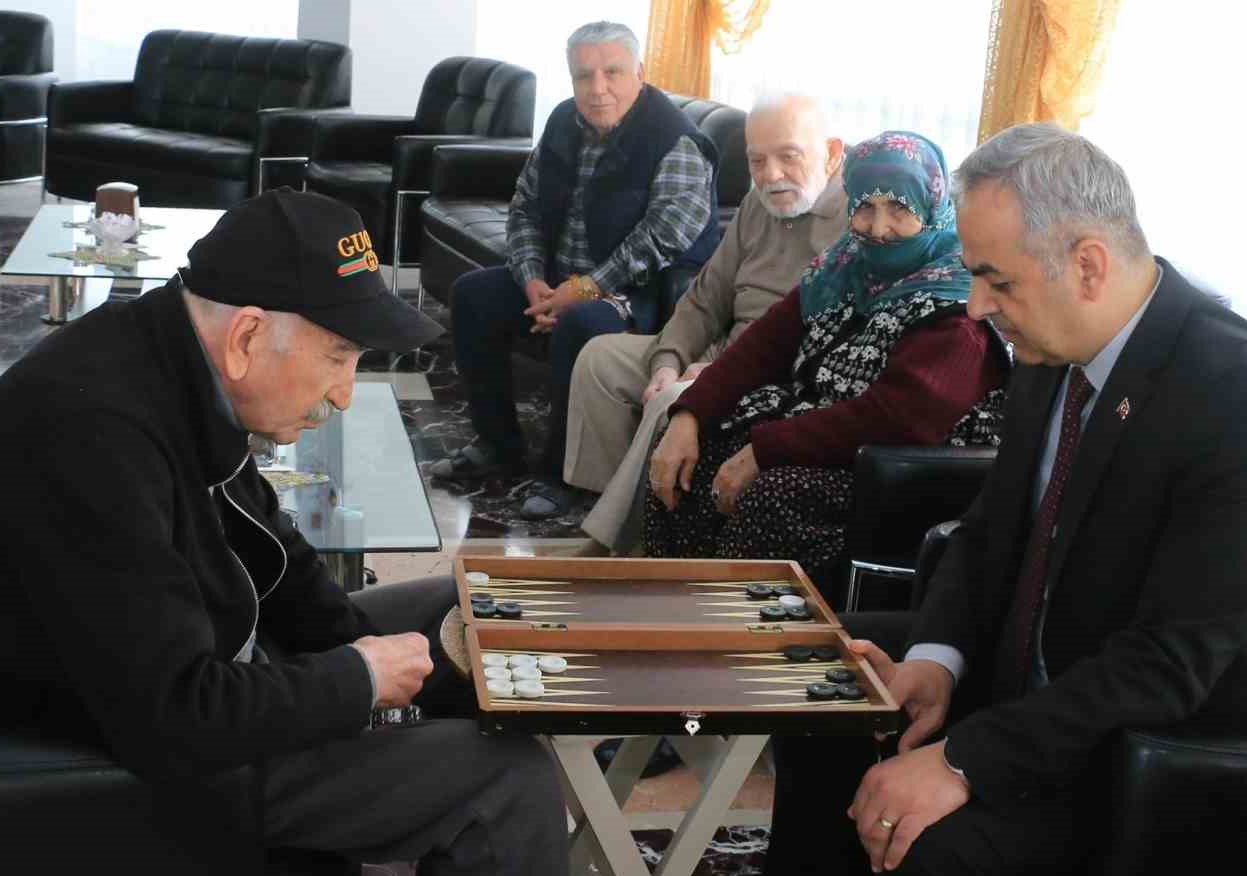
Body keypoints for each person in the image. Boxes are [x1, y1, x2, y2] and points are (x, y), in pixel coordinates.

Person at [689, 124, 1247, 876]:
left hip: (1175, 747)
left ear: (1085, 262)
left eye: (995, 280)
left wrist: (964, 761)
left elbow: (1172, 663)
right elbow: (994, 531)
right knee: (839, 677)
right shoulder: (1054, 349)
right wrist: (935, 663)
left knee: (939, 842)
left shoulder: (1241, 398)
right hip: (1060, 666)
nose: (978, 305)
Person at [0, 190, 571, 876]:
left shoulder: (168, 360)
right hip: (86, 761)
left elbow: (267, 552)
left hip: (171, 676)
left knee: (445, 612)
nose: (346, 392)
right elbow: (178, 715)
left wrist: (359, 642)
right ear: (248, 335)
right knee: (504, 786)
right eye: (339, 356)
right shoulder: (94, 433)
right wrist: (352, 678)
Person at [643, 130, 1008, 596]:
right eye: (865, 208)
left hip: (898, 471)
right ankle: (668, 607)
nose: (879, 229)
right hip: (816, 440)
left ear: (933, 209)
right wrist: (689, 415)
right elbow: (761, 347)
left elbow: (898, 417)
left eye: (900, 210)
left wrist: (764, 450)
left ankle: (745, 638)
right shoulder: (842, 268)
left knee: (772, 496)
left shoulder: (958, 306)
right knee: (689, 450)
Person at [426, 19, 720, 522]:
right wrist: (532, 279)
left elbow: (666, 235)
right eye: (584, 76)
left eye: (612, 72)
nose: (598, 88)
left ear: (640, 73)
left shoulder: (676, 140)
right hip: (559, 280)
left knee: (583, 326)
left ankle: (562, 474)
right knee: (473, 295)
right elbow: (525, 206)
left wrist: (586, 289)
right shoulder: (564, 121)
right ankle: (497, 444)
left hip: (636, 294)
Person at [565, 91, 847, 554]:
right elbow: (705, 297)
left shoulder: (862, 220)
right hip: (720, 348)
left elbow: (816, 339)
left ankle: (609, 548)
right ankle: (615, 510)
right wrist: (669, 361)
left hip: (770, 370)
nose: (771, 175)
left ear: (832, 153)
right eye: (757, 161)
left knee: (675, 402)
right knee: (601, 361)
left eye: (788, 157)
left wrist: (716, 372)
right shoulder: (759, 204)